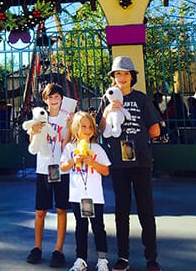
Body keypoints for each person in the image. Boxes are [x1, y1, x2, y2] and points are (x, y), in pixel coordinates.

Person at [99, 56, 163, 271]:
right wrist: (108, 110)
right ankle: (123, 256)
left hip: (141, 162)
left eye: (126, 74)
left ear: (132, 77)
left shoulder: (141, 99)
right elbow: (100, 129)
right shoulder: (106, 98)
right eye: (118, 73)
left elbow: (155, 130)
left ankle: (151, 258)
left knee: (146, 210)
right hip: (118, 163)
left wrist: (139, 137)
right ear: (113, 77)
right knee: (121, 211)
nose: (122, 77)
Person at [25, 83, 73, 268]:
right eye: (50, 97)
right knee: (40, 211)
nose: (54, 100)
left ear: (61, 99)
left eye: (57, 97)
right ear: (45, 100)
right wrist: (33, 131)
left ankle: (58, 250)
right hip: (43, 168)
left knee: (61, 209)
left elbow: (65, 144)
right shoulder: (39, 117)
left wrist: (69, 127)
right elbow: (32, 142)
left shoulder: (66, 118)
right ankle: (37, 247)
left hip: (61, 168)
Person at [60, 111, 111, 271]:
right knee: (80, 228)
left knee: (98, 227)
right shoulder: (70, 148)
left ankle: (102, 259)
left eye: (90, 127)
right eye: (83, 126)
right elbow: (62, 167)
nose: (88, 130)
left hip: (95, 197)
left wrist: (93, 163)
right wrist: (72, 161)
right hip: (77, 196)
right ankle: (81, 258)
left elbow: (106, 171)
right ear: (75, 129)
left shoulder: (97, 148)